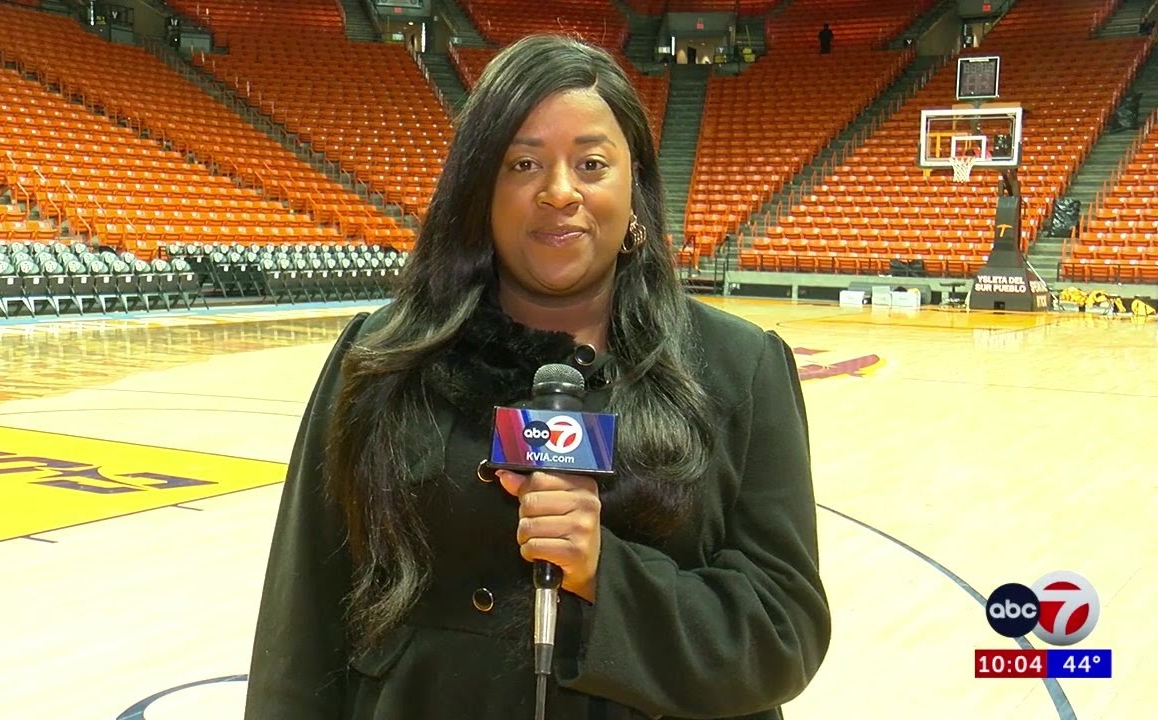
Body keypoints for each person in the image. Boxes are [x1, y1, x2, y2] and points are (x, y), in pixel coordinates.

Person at [244, 33, 831, 720]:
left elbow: (783, 633)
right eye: (523, 164)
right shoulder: (380, 358)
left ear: (635, 188)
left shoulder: (739, 367)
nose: (559, 192)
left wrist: (606, 574)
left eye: (591, 163)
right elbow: (302, 624)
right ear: (479, 193)